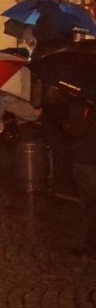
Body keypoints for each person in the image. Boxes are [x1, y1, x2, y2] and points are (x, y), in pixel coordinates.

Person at [65, 96, 96, 255]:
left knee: (90, 206)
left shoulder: (82, 104)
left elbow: (75, 130)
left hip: (86, 161)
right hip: (86, 160)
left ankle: (90, 245)